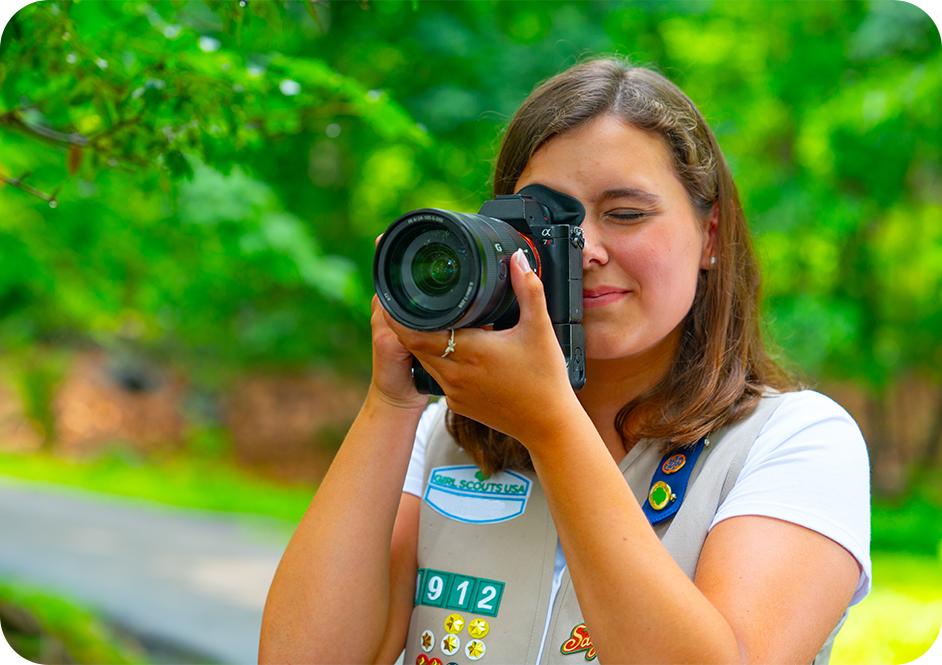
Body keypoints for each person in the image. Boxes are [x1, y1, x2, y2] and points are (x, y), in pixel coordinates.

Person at [259, 57, 871, 665]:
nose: (587, 251)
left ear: (709, 236)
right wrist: (391, 400)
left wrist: (550, 424)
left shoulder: (794, 443)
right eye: (551, 222)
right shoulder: (445, 437)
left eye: (626, 214)